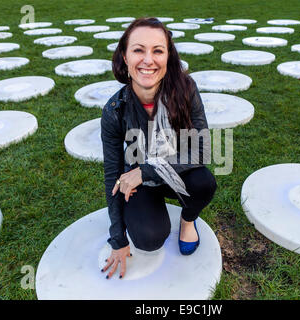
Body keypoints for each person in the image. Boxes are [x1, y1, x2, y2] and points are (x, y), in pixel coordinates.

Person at [100, 17, 217, 280]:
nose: (148, 60)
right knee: (148, 239)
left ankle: (188, 220)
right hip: (142, 177)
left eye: (158, 51)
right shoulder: (114, 110)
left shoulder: (186, 89)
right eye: (138, 50)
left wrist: (146, 171)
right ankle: (152, 208)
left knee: (203, 182)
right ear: (125, 56)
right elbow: (112, 174)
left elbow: (201, 148)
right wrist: (117, 238)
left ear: (168, 57)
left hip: (176, 168)